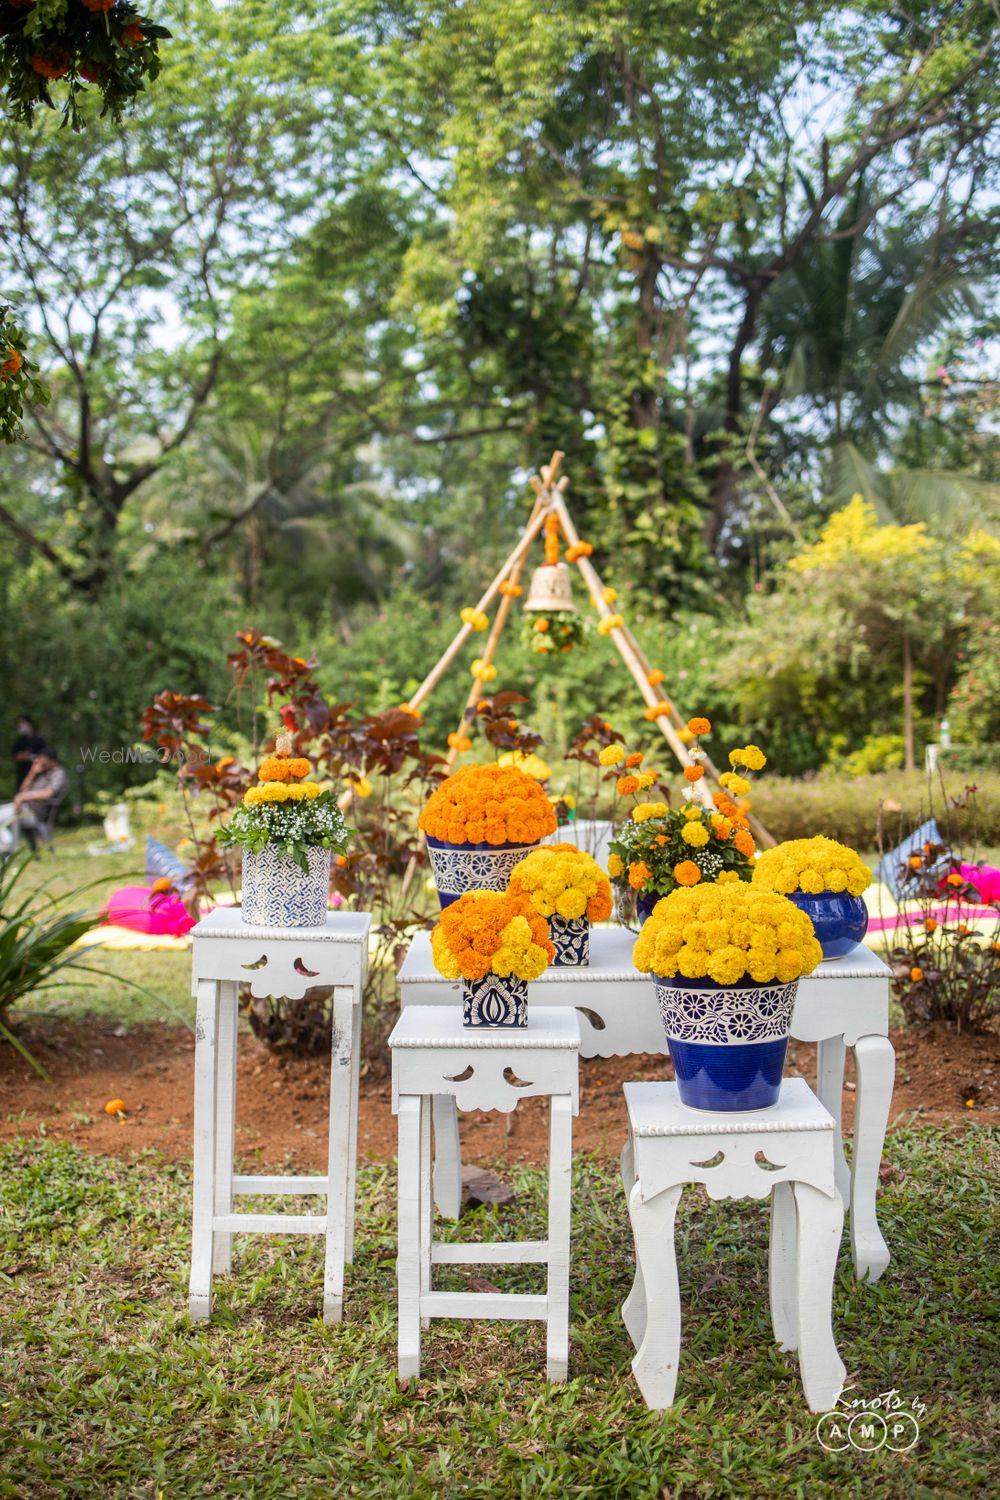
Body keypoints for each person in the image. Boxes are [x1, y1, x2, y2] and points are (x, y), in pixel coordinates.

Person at [13, 746, 69, 851]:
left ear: (51, 760)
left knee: (6, 817)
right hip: (25, 809)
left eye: (41, 759)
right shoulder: (41, 774)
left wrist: (23, 797)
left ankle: (10, 852)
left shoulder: (58, 773)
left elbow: (49, 793)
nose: (38, 761)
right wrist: (32, 773)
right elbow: (22, 790)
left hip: (38, 814)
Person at [12, 714, 46, 789]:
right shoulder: (19, 741)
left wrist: (30, 757)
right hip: (22, 775)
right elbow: (15, 756)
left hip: (36, 776)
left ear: (28, 723)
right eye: (18, 723)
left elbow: (44, 756)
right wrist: (22, 756)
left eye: (22, 722)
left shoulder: (39, 740)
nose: (20, 725)